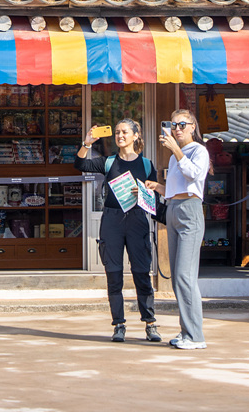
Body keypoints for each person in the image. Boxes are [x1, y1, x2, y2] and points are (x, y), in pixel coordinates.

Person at [76, 119, 160, 343]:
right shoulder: (108, 161)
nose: (120, 136)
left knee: (142, 272)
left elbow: (155, 198)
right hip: (112, 219)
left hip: (137, 219)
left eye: (124, 132)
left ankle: (150, 323)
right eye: (116, 132)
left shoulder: (147, 165)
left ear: (135, 135)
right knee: (113, 274)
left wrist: (142, 193)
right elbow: (81, 165)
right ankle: (119, 325)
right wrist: (87, 143)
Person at [143, 109, 210, 350]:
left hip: (189, 210)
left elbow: (194, 176)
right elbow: (176, 187)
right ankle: (186, 332)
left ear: (193, 126)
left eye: (182, 124)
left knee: (185, 276)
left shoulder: (198, 151)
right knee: (176, 278)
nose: (177, 129)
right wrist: (157, 187)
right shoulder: (174, 157)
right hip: (173, 207)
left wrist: (176, 150)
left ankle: (195, 336)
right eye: (173, 125)